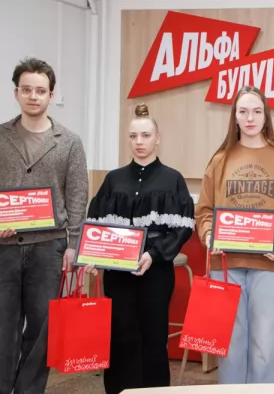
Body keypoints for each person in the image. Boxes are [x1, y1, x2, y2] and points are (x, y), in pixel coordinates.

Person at [195, 85, 274, 384]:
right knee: (230, 346)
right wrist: (209, 236)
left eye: (257, 111)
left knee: (265, 348)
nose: (250, 118)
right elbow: (204, 212)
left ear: (266, 116)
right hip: (225, 264)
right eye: (243, 111)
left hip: (270, 264)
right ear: (235, 116)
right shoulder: (220, 159)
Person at [84, 103, 195, 394]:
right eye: (133, 136)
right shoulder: (113, 179)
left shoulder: (172, 179)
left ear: (158, 138)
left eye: (145, 135)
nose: (139, 142)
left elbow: (182, 229)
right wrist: (92, 256)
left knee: (153, 338)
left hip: (156, 271)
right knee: (120, 336)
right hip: (118, 274)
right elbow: (96, 224)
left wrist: (153, 254)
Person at [0, 57, 89, 394]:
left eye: (40, 91)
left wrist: (73, 245)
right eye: (26, 90)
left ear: (51, 95)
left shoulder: (69, 141)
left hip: (49, 248)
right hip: (5, 248)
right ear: (16, 93)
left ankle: (28, 390)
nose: (33, 96)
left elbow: (77, 194)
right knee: (3, 327)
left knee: (41, 329)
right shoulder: (0, 137)